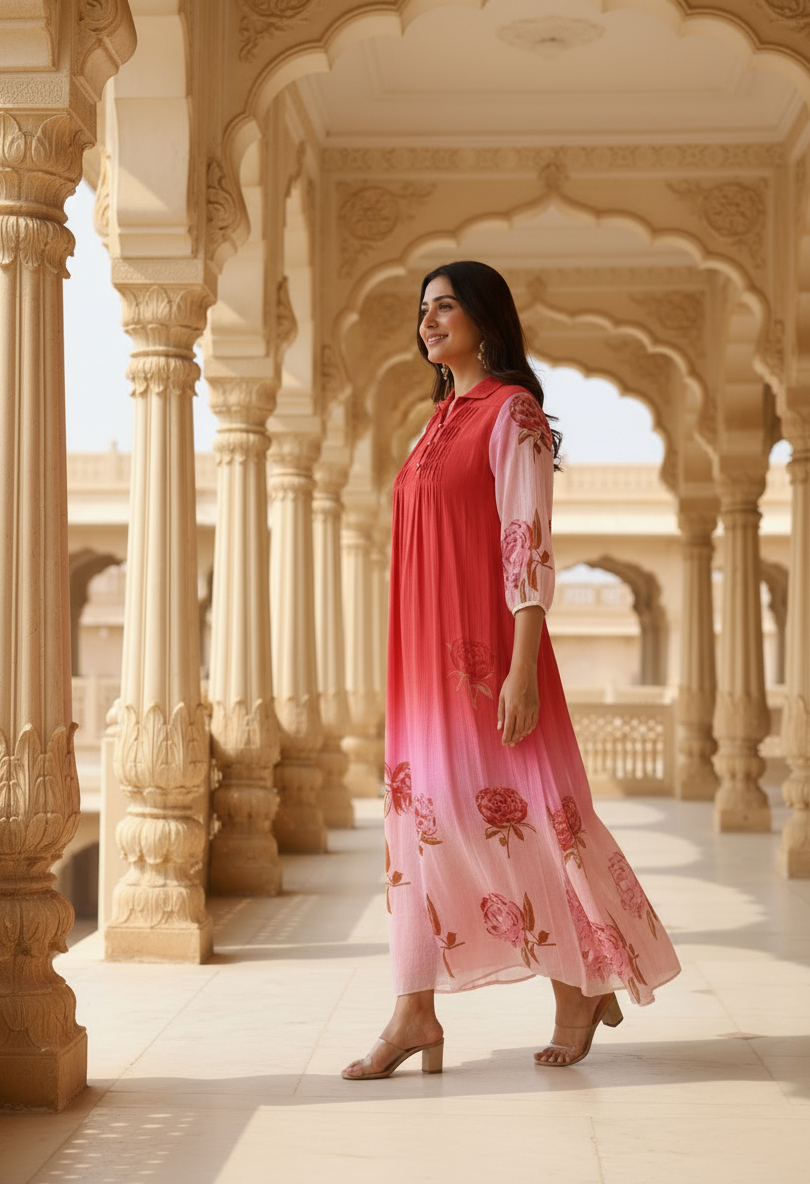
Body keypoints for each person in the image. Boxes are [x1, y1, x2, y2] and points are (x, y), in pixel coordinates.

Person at [341, 261, 681, 1080]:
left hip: (490, 659)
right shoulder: (435, 423)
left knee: (526, 819)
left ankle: (577, 984)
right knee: (422, 828)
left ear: (485, 318)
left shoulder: (512, 414)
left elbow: (527, 544)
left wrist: (523, 668)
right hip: (422, 661)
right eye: (421, 310)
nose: (427, 322)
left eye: (444, 306)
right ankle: (414, 1011)